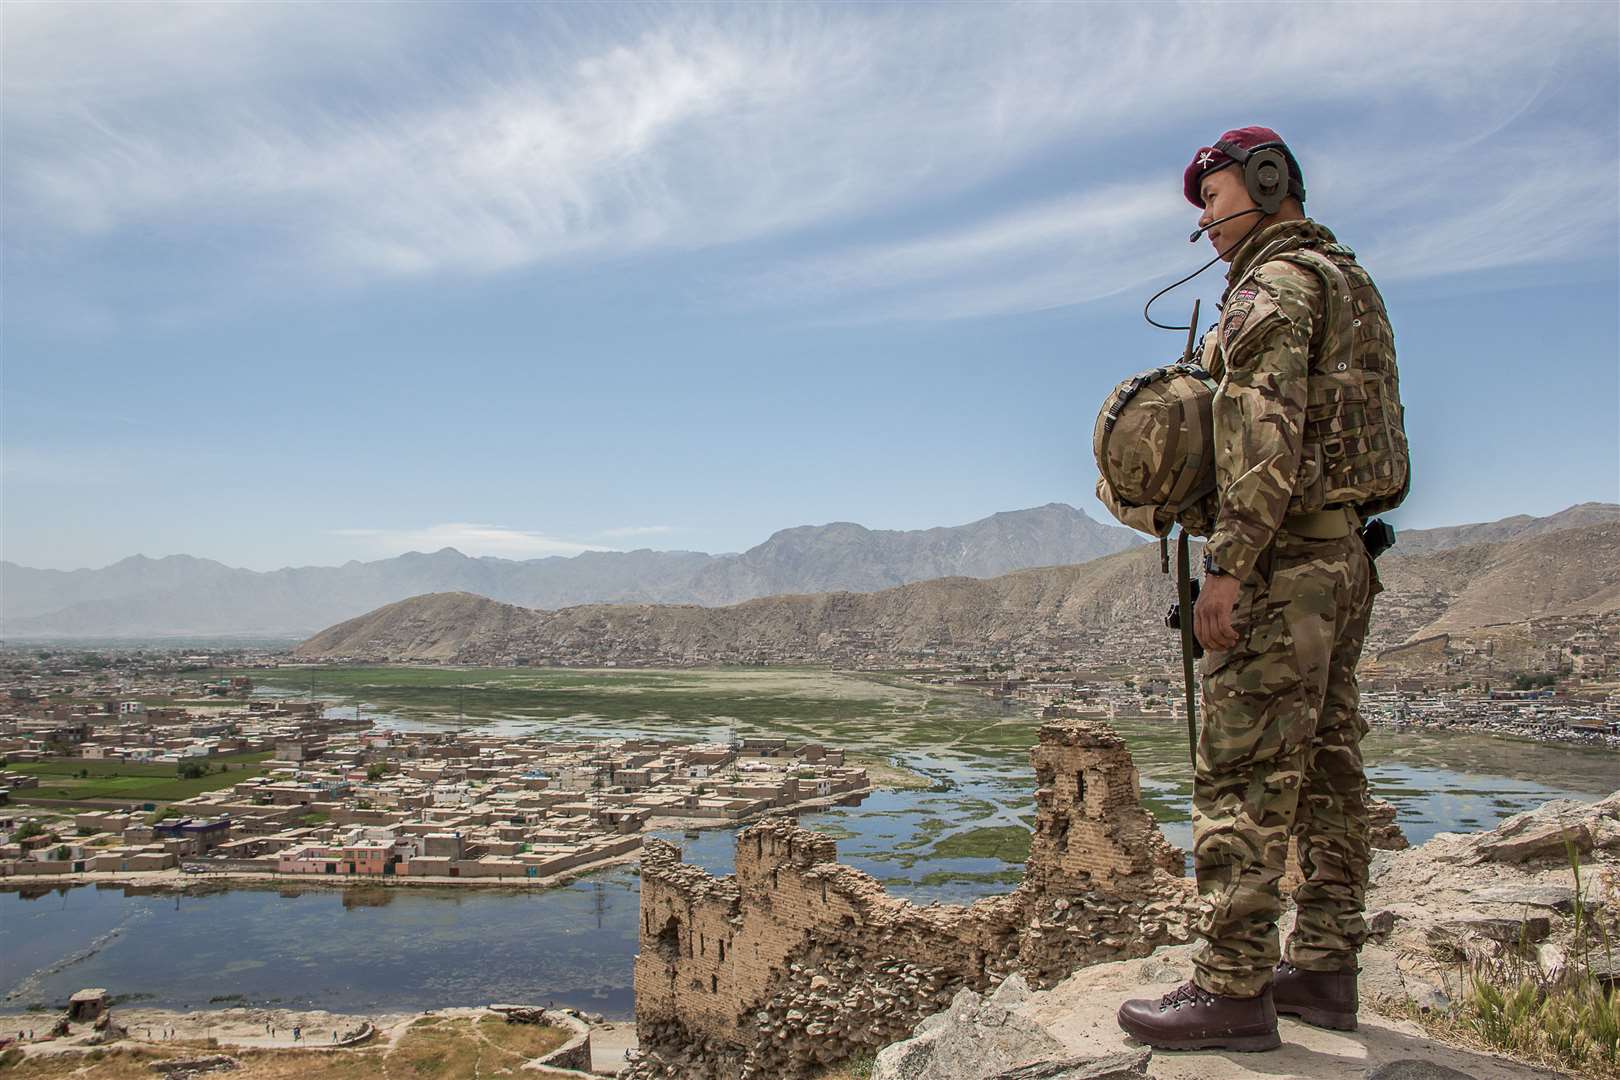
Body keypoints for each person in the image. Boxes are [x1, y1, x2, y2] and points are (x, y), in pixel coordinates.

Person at [1117, 125, 1408, 1052]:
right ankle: (1324, 970)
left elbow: (1263, 437)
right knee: (1326, 767)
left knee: (1241, 771)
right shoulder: (1347, 281)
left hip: (1283, 565)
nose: (1205, 222)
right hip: (1345, 556)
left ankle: (1232, 988)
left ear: (1269, 181)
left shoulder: (1274, 291)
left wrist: (1229, 568)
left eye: (1215, 199)